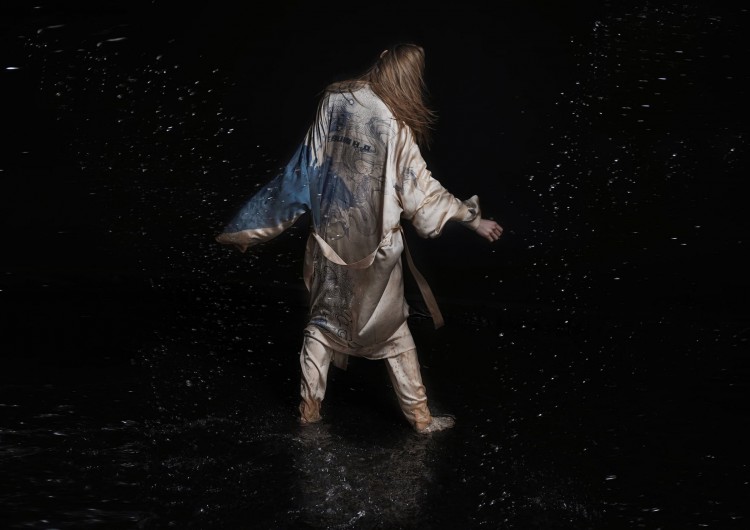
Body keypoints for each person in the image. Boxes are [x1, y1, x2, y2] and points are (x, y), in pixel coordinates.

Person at [215, 43, 503, 434]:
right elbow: (421, 191)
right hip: (375, 249)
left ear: (381, 56)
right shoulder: (396, 125)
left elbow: (306, 165)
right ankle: (420, 419)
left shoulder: (335, 99)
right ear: (412, 78)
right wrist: (472, 219)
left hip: (330, 240)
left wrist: (256, 227)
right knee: (393, 334)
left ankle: (309, 410)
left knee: (322, 325)